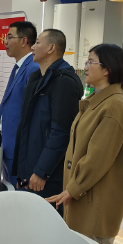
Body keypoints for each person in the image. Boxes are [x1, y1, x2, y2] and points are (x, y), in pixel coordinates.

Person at [47, 44, 123, 244]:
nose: (85, 67)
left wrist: (74, 187)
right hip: (82, 195)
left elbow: (97, 158)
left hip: (95, 202)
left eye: (91, 62)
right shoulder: (96, 101)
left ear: (107, 69)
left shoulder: (113, 106)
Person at [12, 29, 83, 215]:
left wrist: (42, 171)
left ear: (51, 48)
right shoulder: (37, 78)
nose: (32, 47)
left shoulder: (64, 81)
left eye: (37, 43)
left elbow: (61, 132)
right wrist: (22, 172)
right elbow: (27, 127)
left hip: (48, 175)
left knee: (46, 224)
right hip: (31, 169)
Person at [0, 21, 39, 184]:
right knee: (8, 187)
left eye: (10, 37)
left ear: (24, 41)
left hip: (18, 146)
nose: (5, 41)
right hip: (8, 141)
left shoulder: (33, 68)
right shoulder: (20, 66)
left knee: (16, 191)